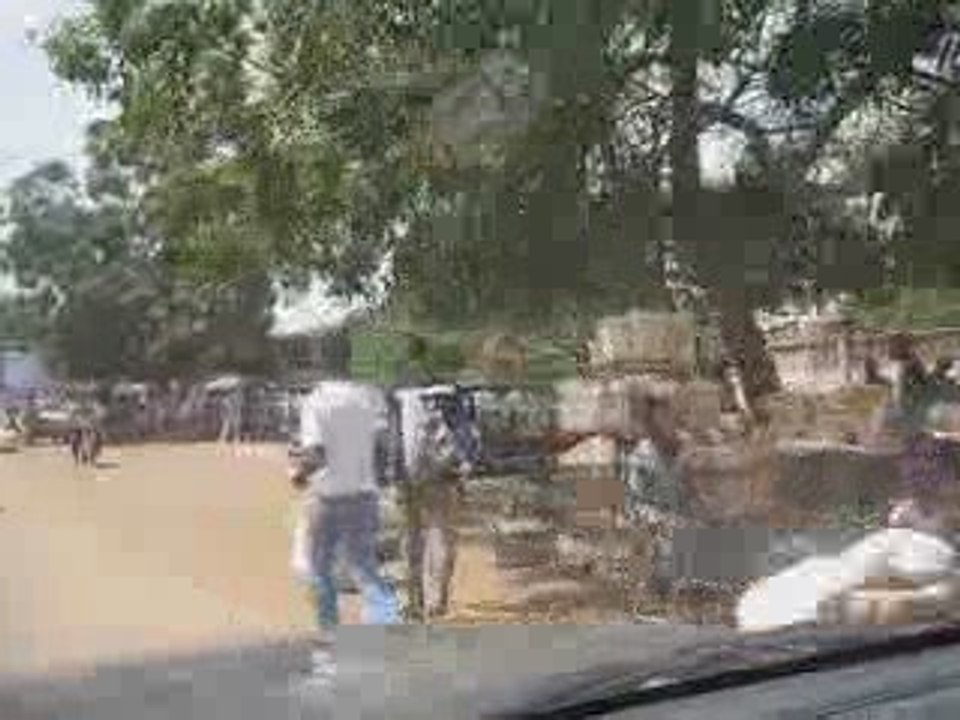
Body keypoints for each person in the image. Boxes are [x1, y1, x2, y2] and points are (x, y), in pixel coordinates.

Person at [288, 330, 399, 679]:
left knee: (321, 574)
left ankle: (329, 649)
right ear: (349, 358)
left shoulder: (316, 401)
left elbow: (316, 452)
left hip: (329, 497)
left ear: (320, 359)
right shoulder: (369, 395)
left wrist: (298, 474)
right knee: (366, 571)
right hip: (365, 495)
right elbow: (383, 446)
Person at [875, 333, 957, 534]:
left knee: (920, 464)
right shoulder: (907, 366)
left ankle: (926, 509)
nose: (888, 352)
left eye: (892, 348)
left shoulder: (912, 365)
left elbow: (916, 394)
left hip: (917, 426)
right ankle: (922, 508)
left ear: (902, 347)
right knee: (917, 463)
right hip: (916, 427)